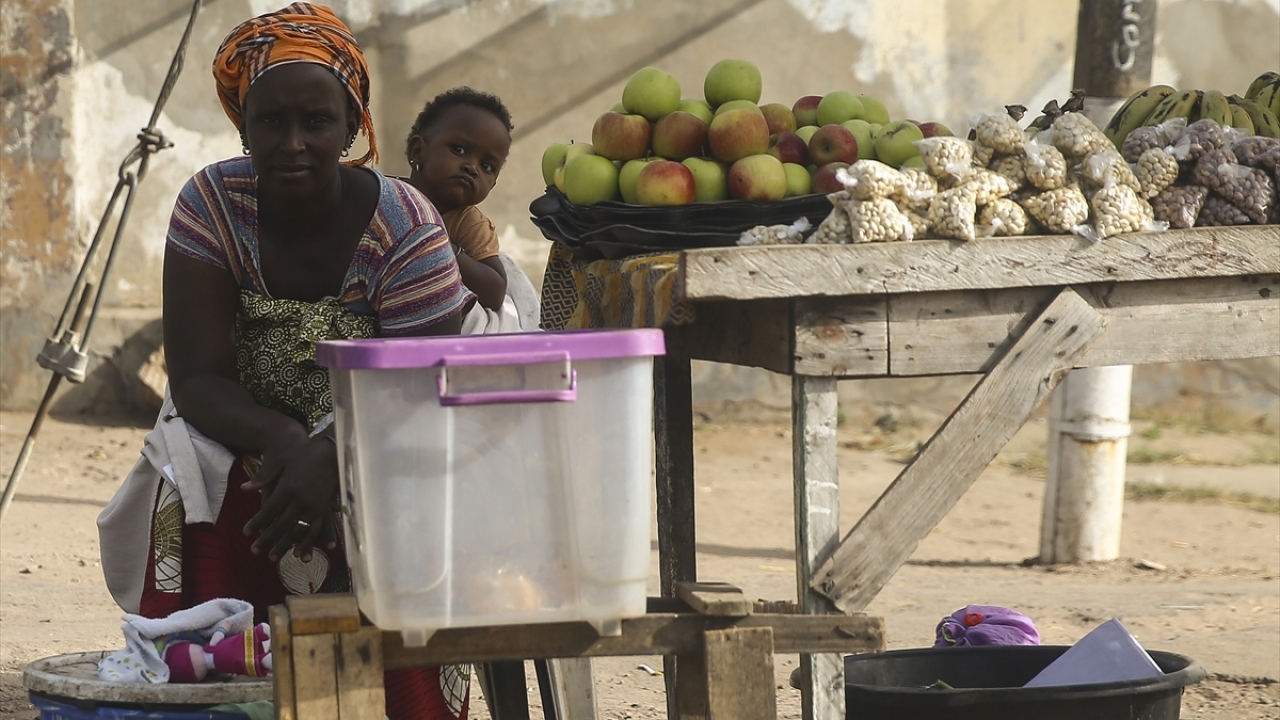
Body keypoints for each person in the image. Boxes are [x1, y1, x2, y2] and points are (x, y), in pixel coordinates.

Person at [97, 4, 473, 717]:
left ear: (353, 125)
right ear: (243, 125)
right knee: (201, 475)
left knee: (389, 492)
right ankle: (214, 684)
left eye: (317, 122)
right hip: (250, 433)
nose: (293, 143)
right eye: (271, 121)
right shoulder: (211, 204)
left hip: (389, 438)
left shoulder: (406, 226)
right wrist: (286, 440)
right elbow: (198, 377)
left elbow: (425, 384)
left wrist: (334, 454)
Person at [405, 88, 521, 331]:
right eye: (459, 150)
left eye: (487, 166)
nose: (472, 167)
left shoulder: (469, 223)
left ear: (493, 183)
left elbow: (495, 292)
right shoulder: (388, 197)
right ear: (418, 151)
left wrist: (442, 247)